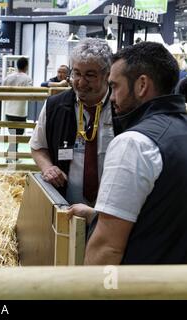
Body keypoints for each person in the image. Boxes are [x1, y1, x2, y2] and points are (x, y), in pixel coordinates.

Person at [68, 42, 187, 264]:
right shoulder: (179, 130)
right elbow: (163, 216)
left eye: (115, 86)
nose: (111, 97)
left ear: (142, 85)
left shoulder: (134, 143)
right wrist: (97, 215)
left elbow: (106, 247)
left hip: (140, 286)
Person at [29, 38, 122, 205]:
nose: (80, 82)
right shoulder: (55, 106)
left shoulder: (122, 107)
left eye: (90, 75)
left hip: (113, 209)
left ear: (107, 74)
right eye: (77, 73)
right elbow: (38, 147)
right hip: (65, 205)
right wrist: (48, 168)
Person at [2, 57, 33, 160]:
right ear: (26, 66)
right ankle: (10, 156)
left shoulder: (9, 77)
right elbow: (30, 93)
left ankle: (13, 155)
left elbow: (2, 89)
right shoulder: (27, 78)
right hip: (20, 111)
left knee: (13, 135)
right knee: (17, 136)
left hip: (9, 110)